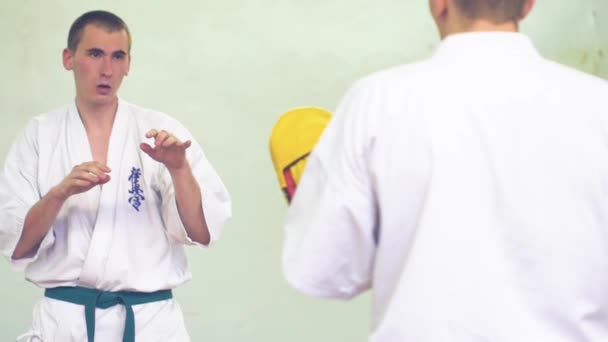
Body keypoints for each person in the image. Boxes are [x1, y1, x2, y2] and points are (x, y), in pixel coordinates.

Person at [282, 0, 608, 340]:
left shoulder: (376, 103)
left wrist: (312, 209)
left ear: (439, 4)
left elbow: (324, 270)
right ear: (527, 5)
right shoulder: (601, 107)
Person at [0, 10, 231, 341]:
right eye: (94, 54)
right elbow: (18, 243)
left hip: (150, 324)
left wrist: (178, 169)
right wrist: (58, 194)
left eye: (117, 56)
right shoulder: (40, 135)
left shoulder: (160, 133)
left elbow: (202, 232)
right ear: (69, 58)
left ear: (128, 64)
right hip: (67, 323)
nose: (106, 69)